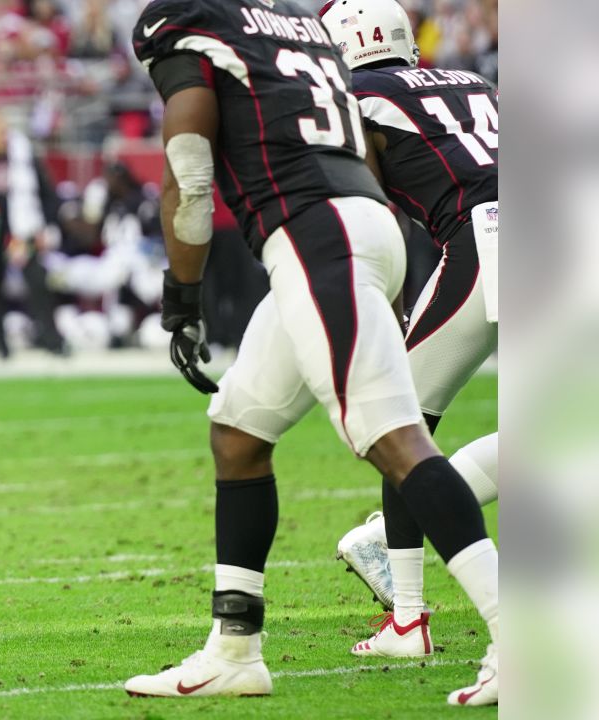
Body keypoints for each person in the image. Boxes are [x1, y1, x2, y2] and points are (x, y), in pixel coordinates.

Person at [122, 0, 498, 706]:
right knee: (239, 430)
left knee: (393, 437)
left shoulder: (186, 21)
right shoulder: (296, 20)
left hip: (313, 232)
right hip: (358, 225)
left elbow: (191, 174)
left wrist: (182, 294)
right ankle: (235, 649)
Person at [319, 0, 499, 673]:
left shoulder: (359, 99)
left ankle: (408, 613)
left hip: (490, 239)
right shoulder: (474, 83)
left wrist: (385, 307)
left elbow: (369, 214)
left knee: (400, 423)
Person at [0, 111, 67, 358]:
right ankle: (0, 342)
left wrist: (44, 227)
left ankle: (51, 338)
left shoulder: (24, 161)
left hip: (22, 231)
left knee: (37, 280)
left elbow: (48, 196)